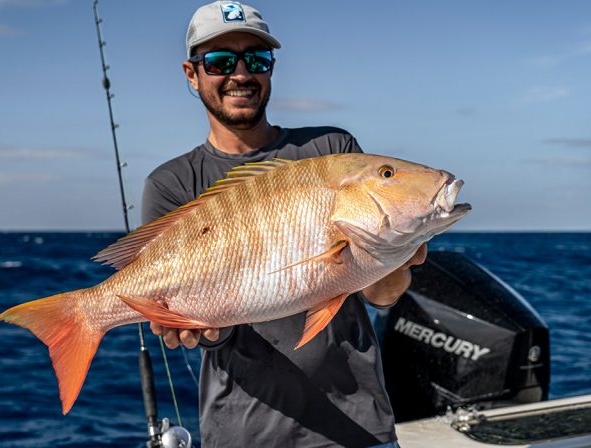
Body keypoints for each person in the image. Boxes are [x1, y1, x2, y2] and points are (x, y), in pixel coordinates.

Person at [142, 2, 427, 446]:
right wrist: (196, 328)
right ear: (191, 73)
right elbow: (206, 337)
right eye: (219, 61)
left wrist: (394, 250)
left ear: (271, 69)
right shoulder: (172, 183)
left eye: (256, 59)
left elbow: (383, 295)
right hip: (242, 432)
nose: (240, 74)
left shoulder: (331, 149)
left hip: (357, 424)